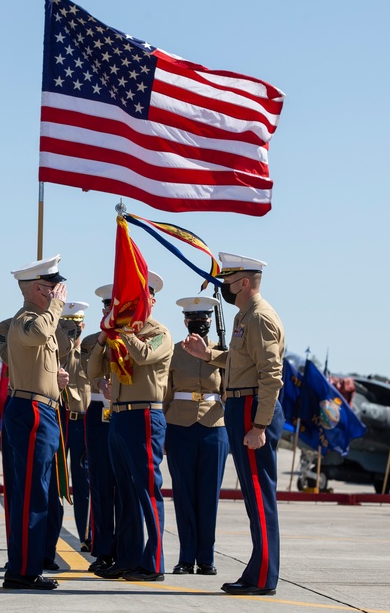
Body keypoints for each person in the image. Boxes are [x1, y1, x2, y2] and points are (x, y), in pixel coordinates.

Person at [182, 252, 284, 597]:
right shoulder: (247, 316)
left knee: (260, 495)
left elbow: (271, 376)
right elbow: (243, 361)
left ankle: (264, 578)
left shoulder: (260, 318)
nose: (223, 286)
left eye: (228, 280)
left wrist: (260, 425)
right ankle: (257, 570)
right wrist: (207, 355)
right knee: (254, 500)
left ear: (243, 282)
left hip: (253, 407)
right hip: (242, 403)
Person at [89, 272, 171, 582]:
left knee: (147, 490)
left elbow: (145, 355)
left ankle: (153, 562)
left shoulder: (158, 332)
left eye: (140, 297)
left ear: (151, 300)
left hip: (145, 416)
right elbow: (91, 370)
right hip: (119, 415)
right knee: (124, 492)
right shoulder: (116, 333)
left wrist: (123, 330)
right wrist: (102, 337)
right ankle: (128, 557)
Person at [2, 255, 68, 591]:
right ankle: (22, 570)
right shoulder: (28, 319)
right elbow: (39, 334)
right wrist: (55, 308)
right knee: (31, 493)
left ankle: (27, 565)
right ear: (37, 288)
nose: (59, 293)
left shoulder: (41, 319)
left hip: (43, 410)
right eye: (54, 287)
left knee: (39, 491)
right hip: (29, 411)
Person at [165, 295, 228, 576]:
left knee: (208, 495)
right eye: (193, 320)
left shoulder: (222, 353)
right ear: (185, 321)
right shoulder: (174, 352)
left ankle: (206, 558)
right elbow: (165, 392)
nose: (198, 325)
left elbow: (230, 391)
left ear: (210, 323)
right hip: (179, 425)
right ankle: (185, 556)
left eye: (203, 321)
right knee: (183, 495)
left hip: (214, 427)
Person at [46, 301, 92, 561]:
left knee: (85, 483)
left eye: (76, 329)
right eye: (66, 329)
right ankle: (50, 542)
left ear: (83, 326)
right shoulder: (56, 352)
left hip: (83, 420)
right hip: (60, 417)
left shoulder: (89, 351)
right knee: (56, 482)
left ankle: (87, 537)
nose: (72, 335)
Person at [82, 285, 117, 573]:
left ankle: (127, 547)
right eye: (106, 308)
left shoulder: (135, 339)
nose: (109, 312)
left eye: (114, 308)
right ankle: (103, 549)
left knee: (126, 486)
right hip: (98, 412)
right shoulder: (92, 341)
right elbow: (88, 370)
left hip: (126, 412)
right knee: (101, 485)